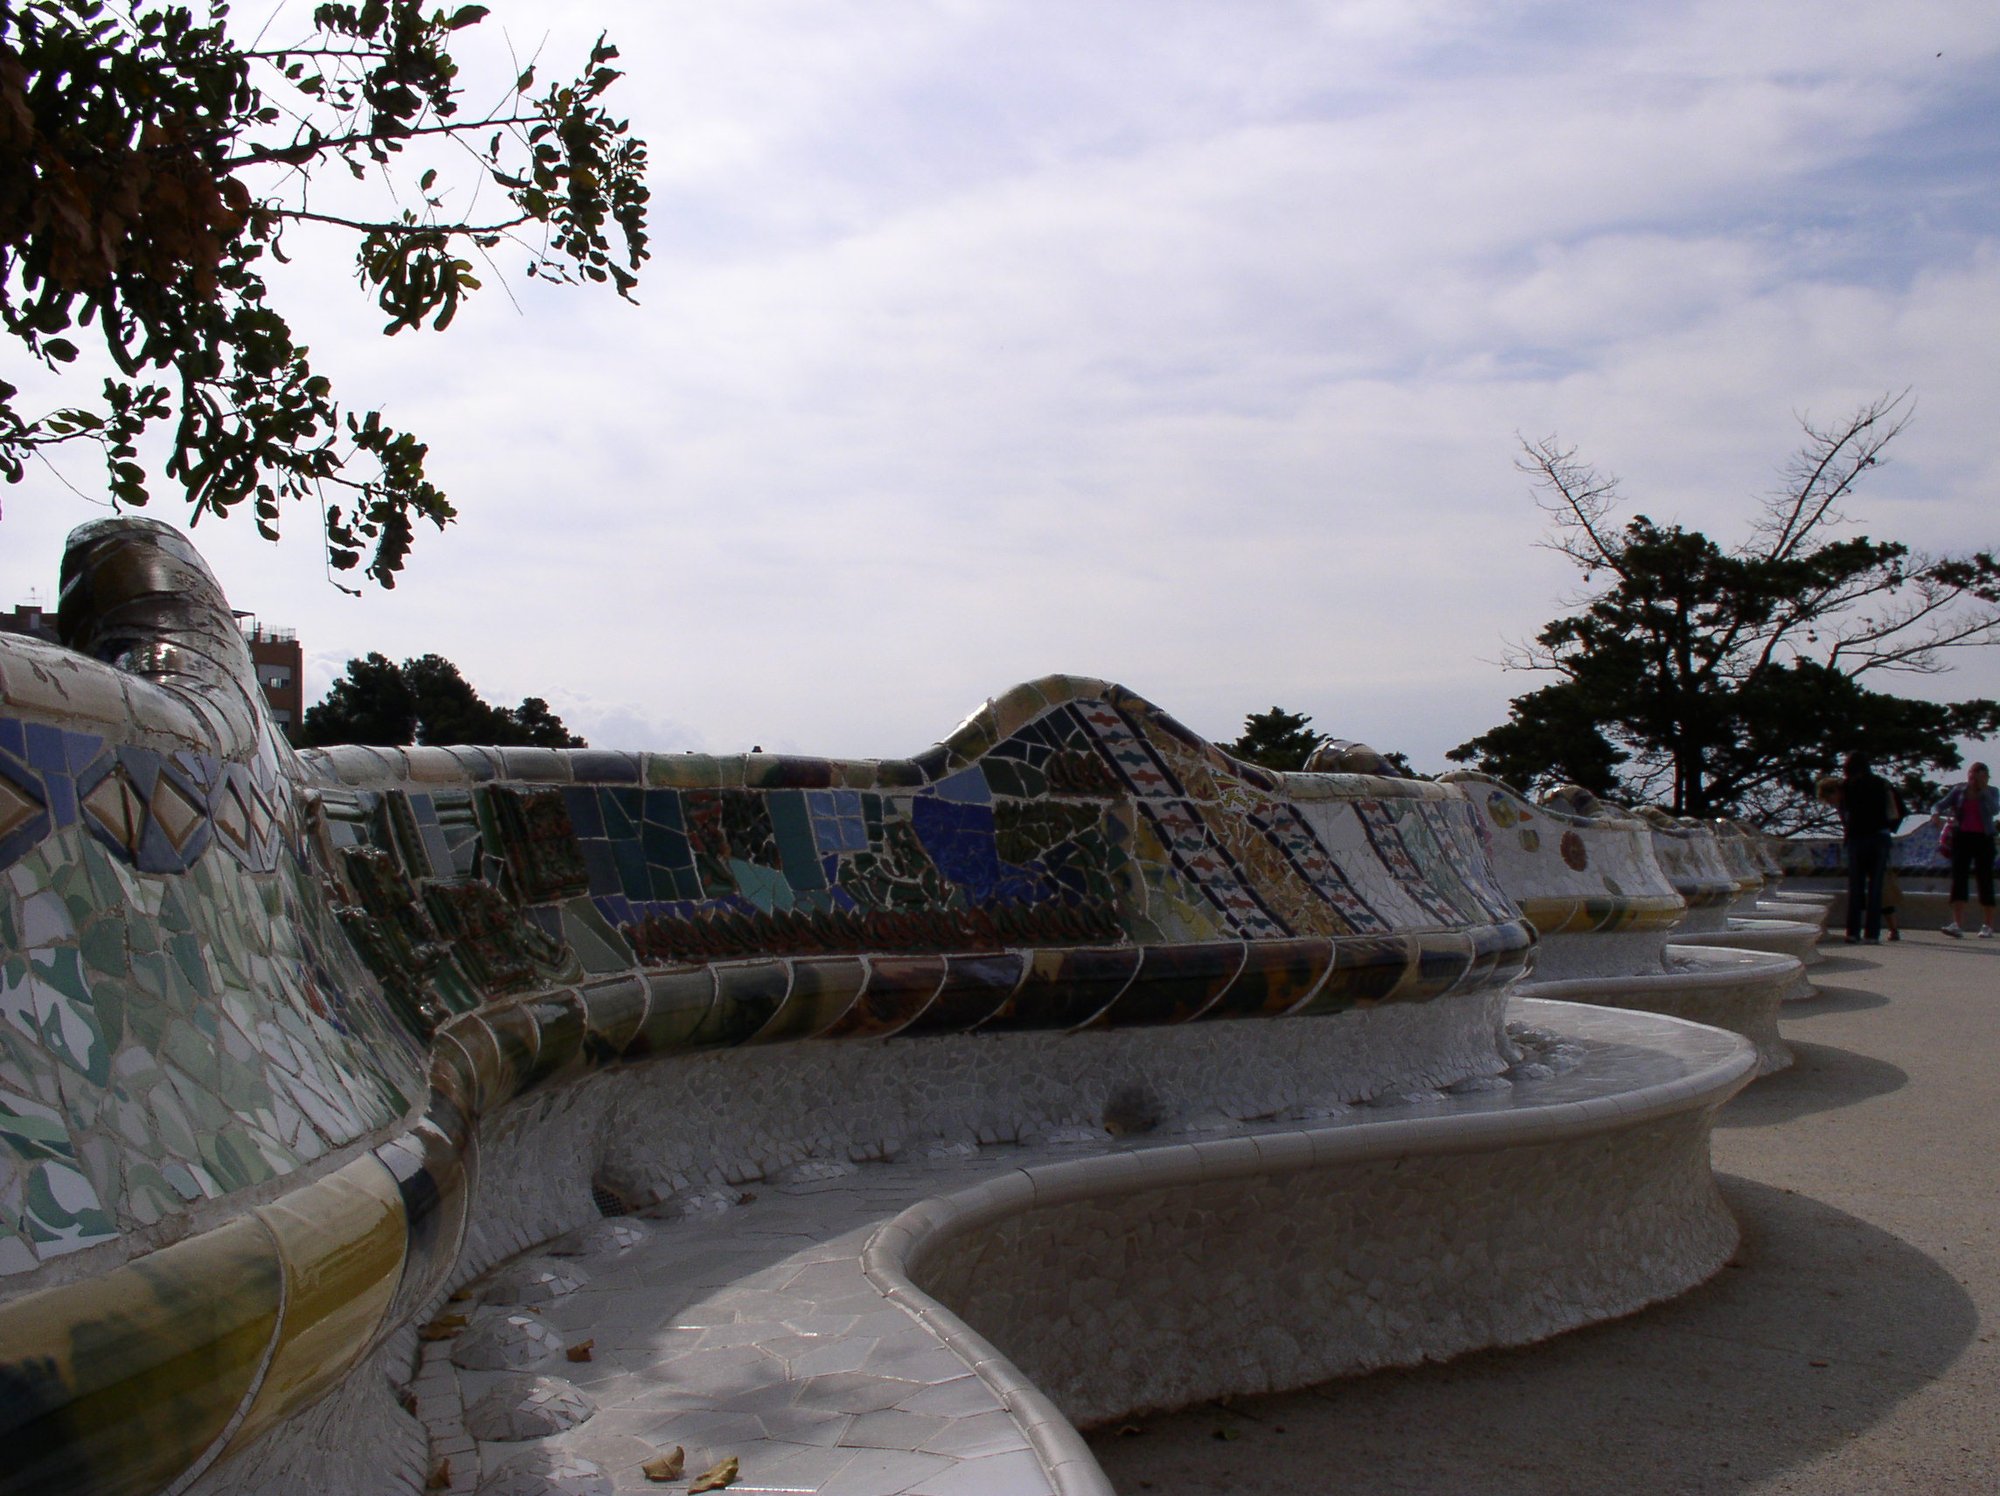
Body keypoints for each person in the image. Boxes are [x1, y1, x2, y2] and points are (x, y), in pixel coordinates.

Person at [1837, 754, 1901, 944]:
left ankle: (1852, 931)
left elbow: (1843, 812)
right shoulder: (1882, 784)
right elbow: (1898, 810)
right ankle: (1872, 934)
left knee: (1855, 887)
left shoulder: (1847, 786)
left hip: (1857, 837)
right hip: (1879, 837)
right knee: (1876, 888)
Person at [1932, 761, 1998, 938]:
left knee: (1985, 880)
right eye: (1971, 776)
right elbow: (1939, 804)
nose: (1973, 780)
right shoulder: (1959, 791)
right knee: (1959, 879)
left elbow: (1994, 810)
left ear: (1985, 777)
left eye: (1978, 777)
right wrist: (1936, 813)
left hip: (1984, 839)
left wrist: (1983, 791)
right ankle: (1957, 923)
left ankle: (1988, 925)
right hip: (1962, 838)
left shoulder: (1992, 792)